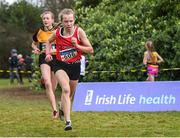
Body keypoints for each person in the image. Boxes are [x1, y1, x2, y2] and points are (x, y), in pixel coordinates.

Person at [45, 8, 94, 131]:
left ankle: (62, 107)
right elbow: (48, 41)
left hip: (75, 66)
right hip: (60, 64)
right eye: (66, 21)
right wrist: (47, 54)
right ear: (61, 22)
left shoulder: (79, 32)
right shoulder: (57, 33)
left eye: (71, 21)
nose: (69, 24)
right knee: (65, 90)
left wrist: (77, 45)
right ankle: (68, 122)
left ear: (74, 20)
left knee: (70, 94)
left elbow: (90, 50)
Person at [31, 11, 58, 119]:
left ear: (52, 20)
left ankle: (58, 105)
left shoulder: (58, 31)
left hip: (56, 58)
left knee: (53, 87)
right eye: (44, 19)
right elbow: (33, 43)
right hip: (44, 58)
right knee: (47, 83)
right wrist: (36, 48)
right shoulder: (39, 31)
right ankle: (55, 110)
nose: (45, 20)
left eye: (48, 18)